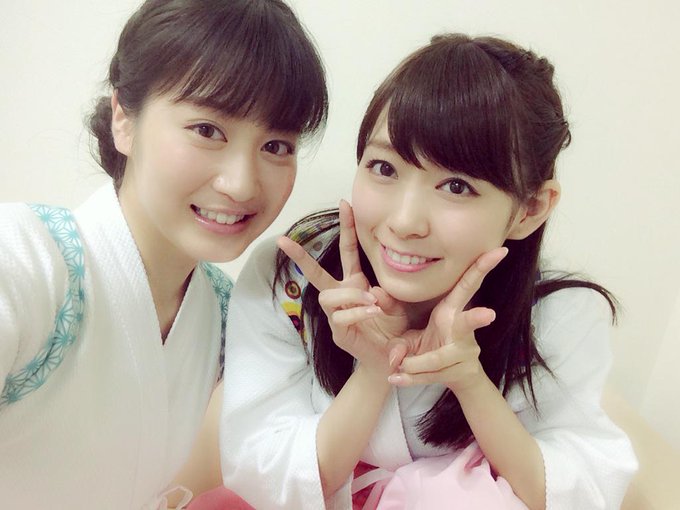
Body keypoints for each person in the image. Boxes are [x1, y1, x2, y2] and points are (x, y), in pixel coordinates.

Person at [219, 33, 637, 509]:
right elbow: (261, 475)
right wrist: (375, 368)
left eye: (456, 186)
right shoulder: (292, 279)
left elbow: (578, 492)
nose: (404, 222)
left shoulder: (559, 314)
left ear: (530, 208)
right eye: (384, 168)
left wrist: (470, 382)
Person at [0, 0, 327, 508]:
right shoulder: (23, 259)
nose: (241, 184)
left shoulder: (229, 313)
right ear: (124, 120)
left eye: (276, 146)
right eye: (207, 130)